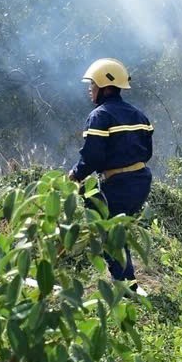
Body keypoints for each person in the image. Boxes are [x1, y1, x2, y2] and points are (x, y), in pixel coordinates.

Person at [69, 58, 154, 284]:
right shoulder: (139, 115)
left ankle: (125, 286)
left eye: (93, 85)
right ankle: (128, 282)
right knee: (118, 229)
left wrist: (75, 175)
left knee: (107, 232)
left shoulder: (100, 116)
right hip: (141, 182)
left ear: (105, 88)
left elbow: (93, 156)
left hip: (118, 184)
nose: (90, 90)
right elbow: (147, 152)